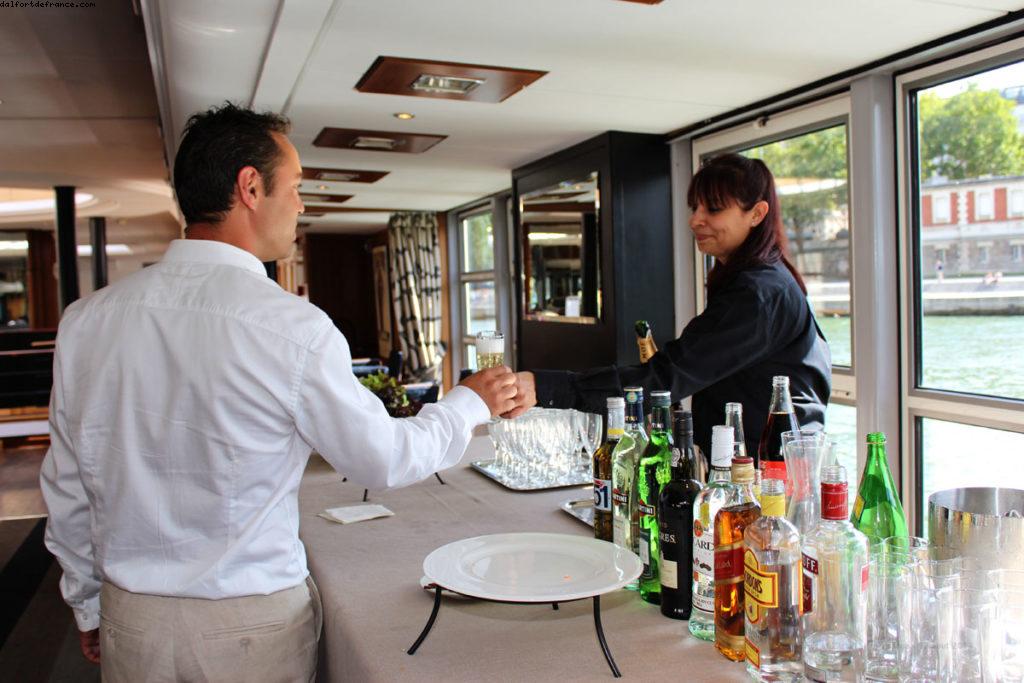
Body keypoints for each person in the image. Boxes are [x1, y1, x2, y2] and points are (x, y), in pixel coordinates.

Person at [39, 103, 520, 681]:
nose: (300, 204)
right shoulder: (292, 327)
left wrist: (87, 600)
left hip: (130, 619)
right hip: (247, 629)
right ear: (249, 186)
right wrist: (471, 401)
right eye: (294, 187)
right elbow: (382, 458)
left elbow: (67, 484)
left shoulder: (86, 320)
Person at [508, 153, 832, 458]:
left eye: (713, 209)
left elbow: (664, 379)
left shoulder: (758, 293)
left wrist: (544, 386)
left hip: (769, 472)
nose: (695, 220)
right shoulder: (764, 280)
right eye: (695, 207)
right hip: (760, 459)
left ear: (757, 214)